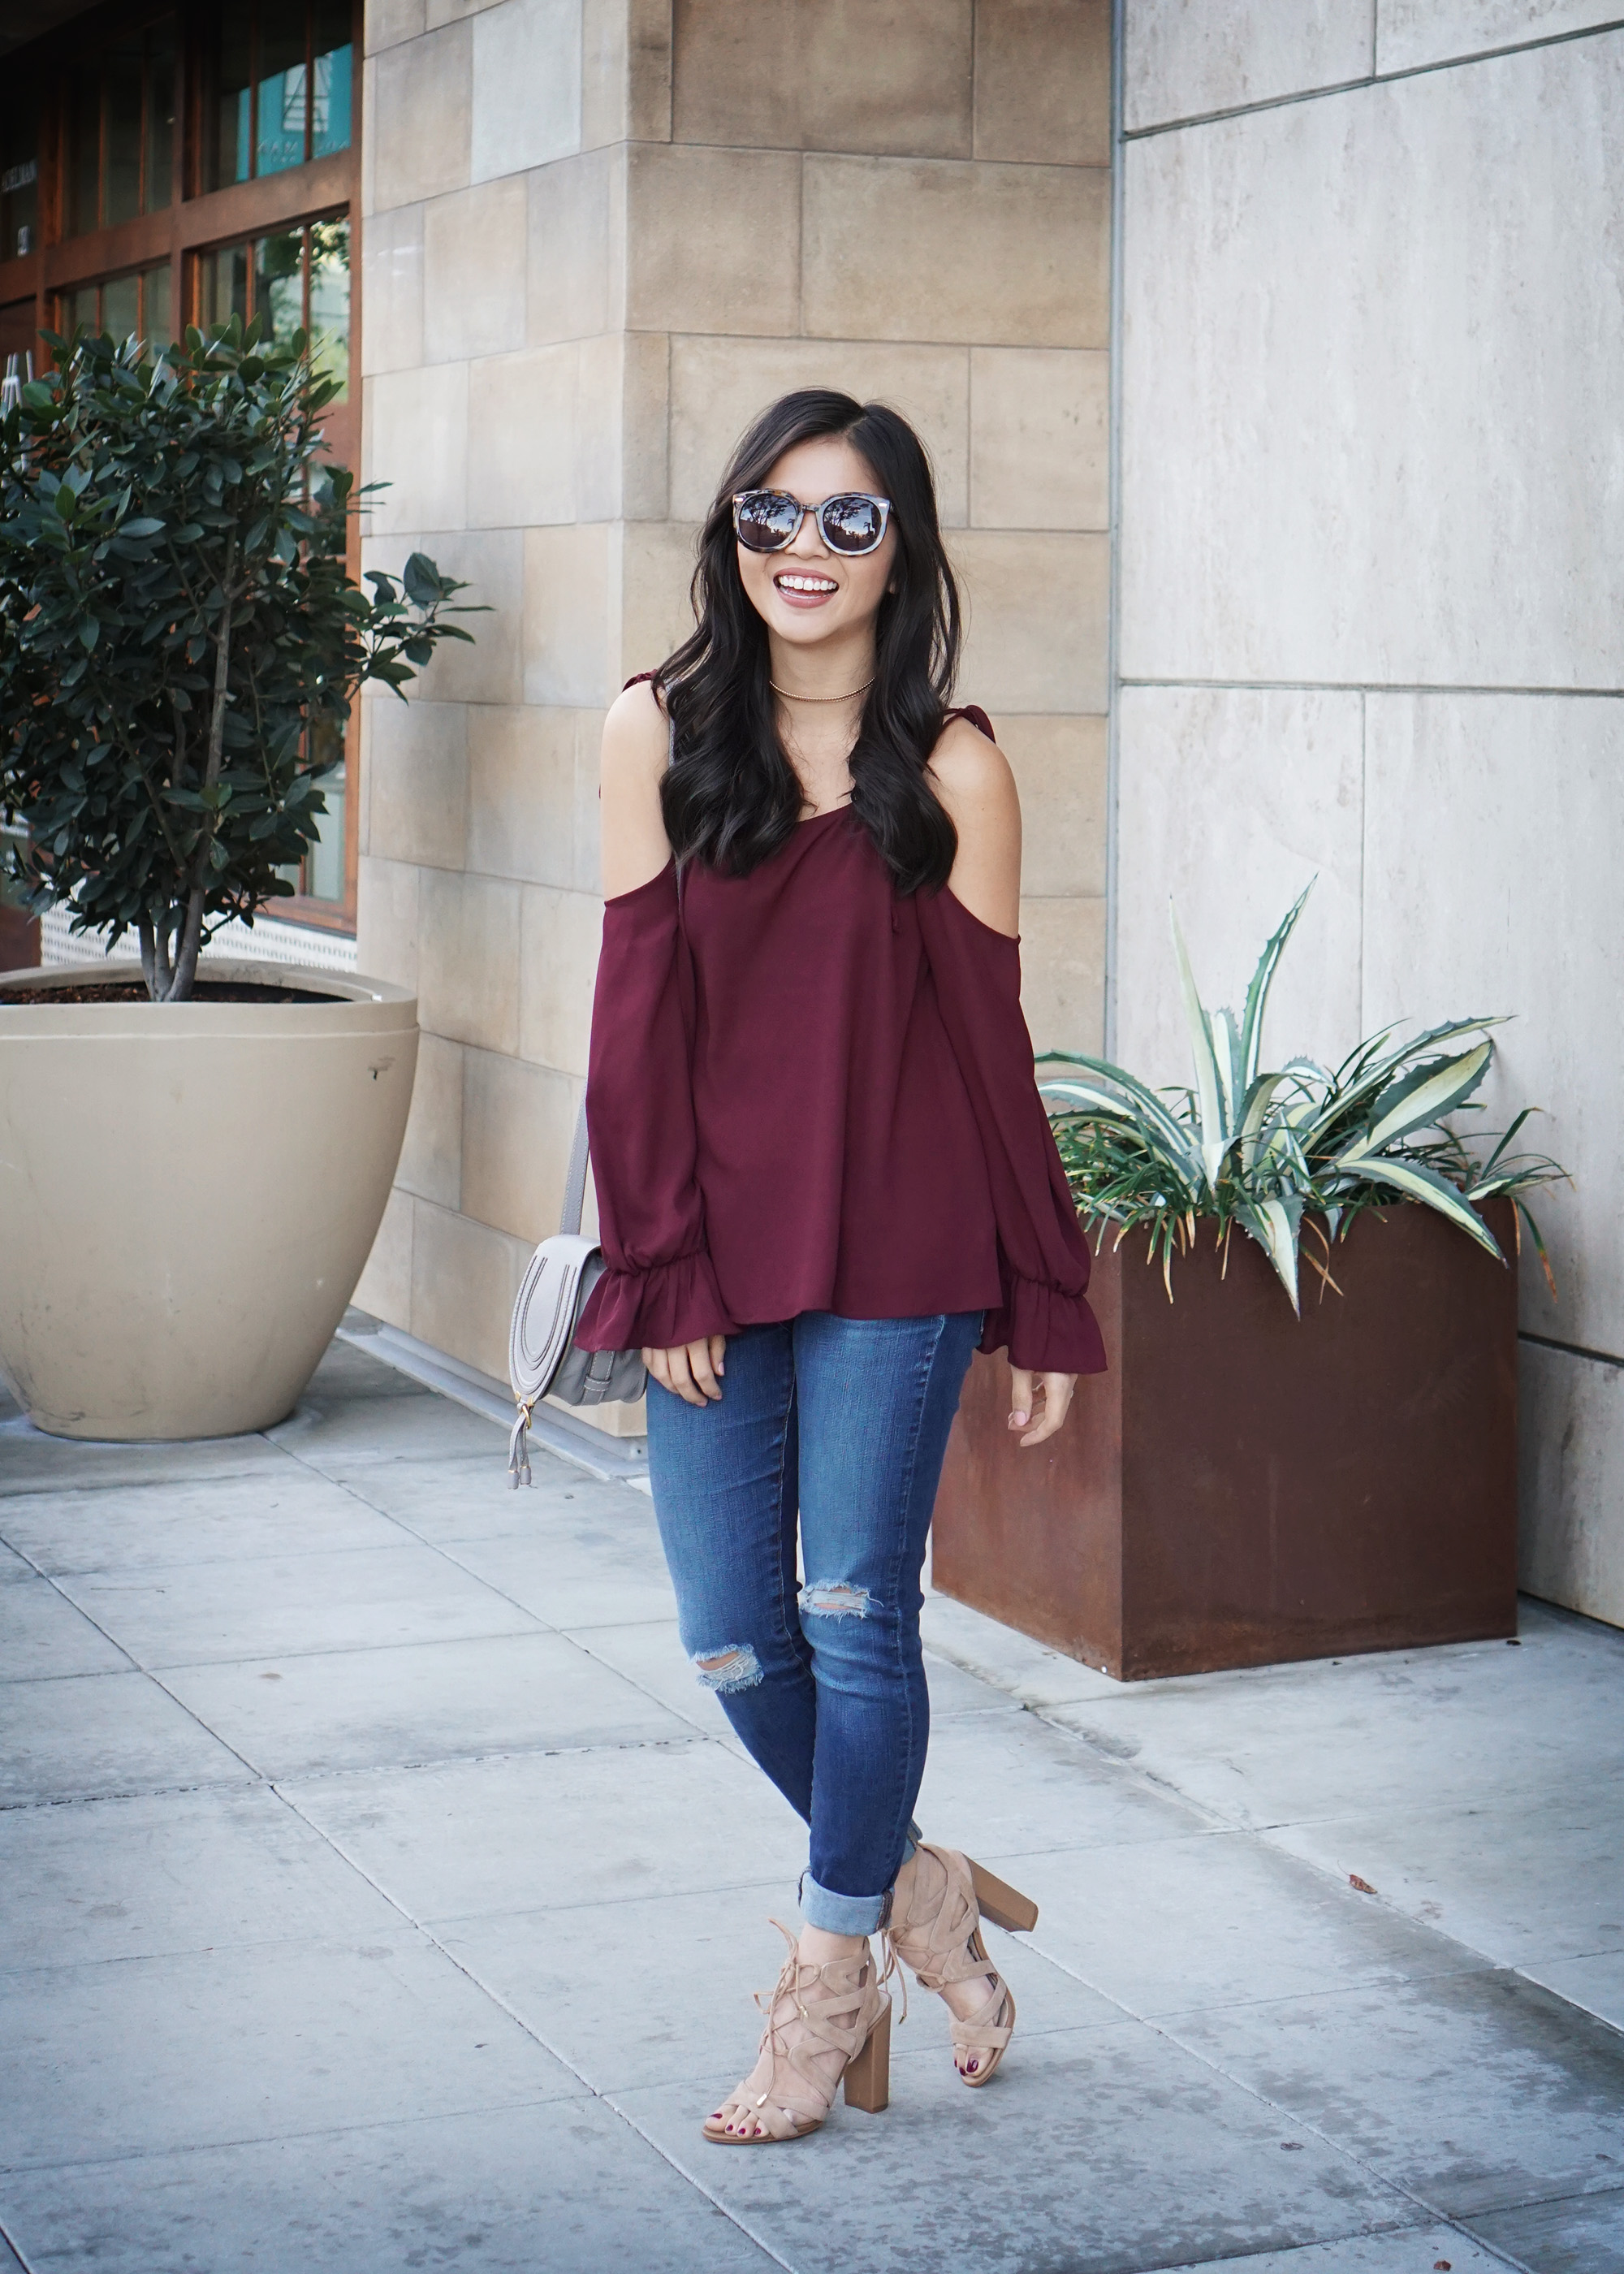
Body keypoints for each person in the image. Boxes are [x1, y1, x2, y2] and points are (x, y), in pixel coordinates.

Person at [576, 388, 1106, 2144]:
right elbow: (632, 1023)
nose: (803, 547)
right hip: (717, 1248)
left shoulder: (954, 766)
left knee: (857, 1615)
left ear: (902, 550)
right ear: (730, 535)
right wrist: (660, 1260)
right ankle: (918, 1891)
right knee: (735, 1636)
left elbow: (991, 1051)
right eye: (770, 513)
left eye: (848, 518)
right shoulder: (654, 730)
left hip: (906, 1242)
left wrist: (1048, 1292)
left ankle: (822, 1990)